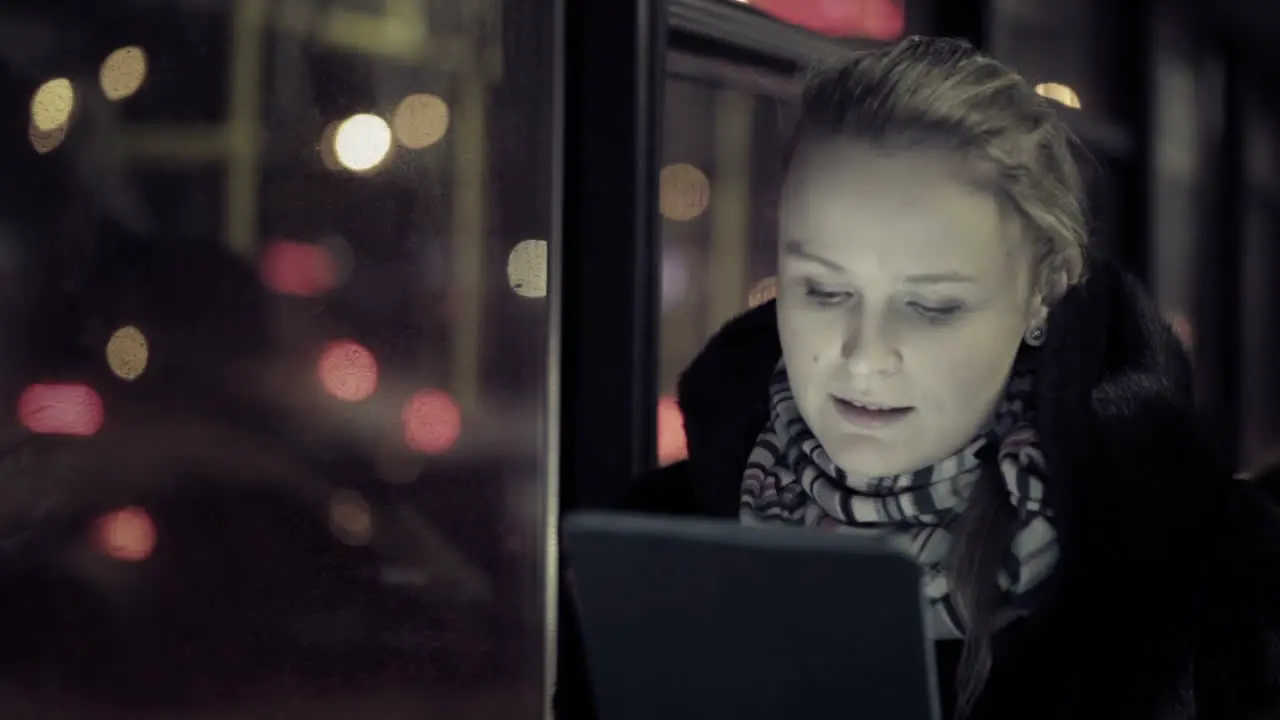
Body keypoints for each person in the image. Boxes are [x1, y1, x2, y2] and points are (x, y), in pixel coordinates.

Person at [558, 36, 1280, 720]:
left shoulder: (1206, 575)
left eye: (931, 306)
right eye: (824, 291)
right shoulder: (661, 550)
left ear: (1044, 290)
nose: (865, 355)